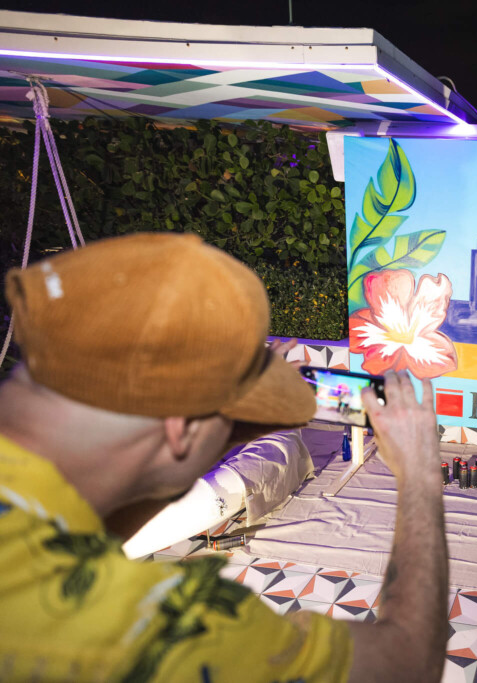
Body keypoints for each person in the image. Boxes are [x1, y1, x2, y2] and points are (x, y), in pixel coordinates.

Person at [0, 233, 448, 682]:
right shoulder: (171, 629)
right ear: (179, 425)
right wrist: (420, 474)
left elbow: (90, 516)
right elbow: (408, 660)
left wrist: (217, 427)